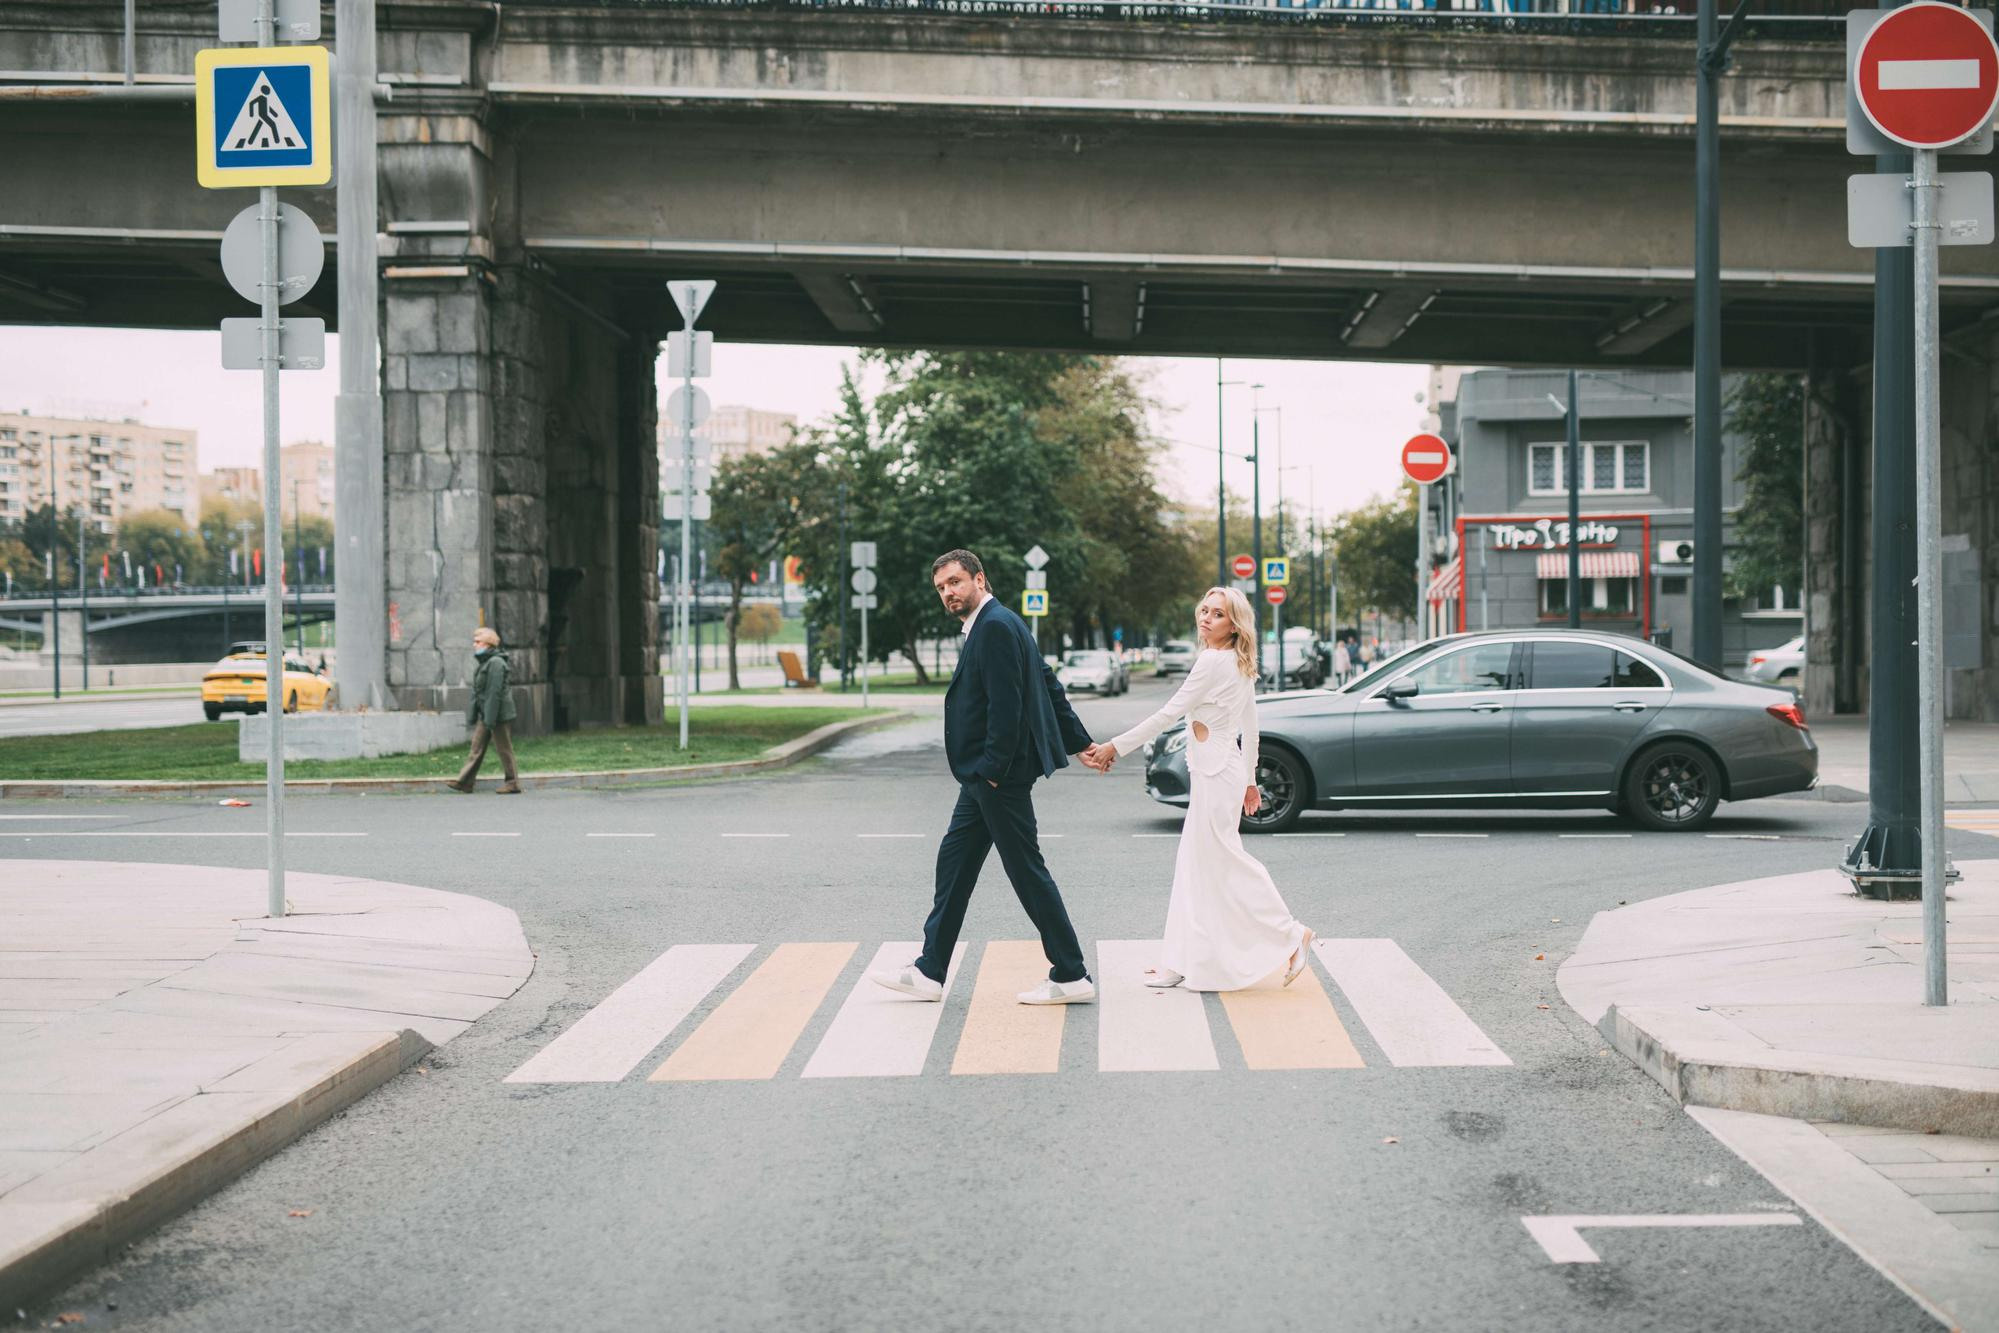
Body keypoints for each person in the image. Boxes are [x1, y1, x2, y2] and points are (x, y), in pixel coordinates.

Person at [872, 549, 1100, 1006]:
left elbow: (1008, 706)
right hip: (983, 780)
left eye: (955, 582)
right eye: (941, 588)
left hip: (996, 777)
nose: (948, 593)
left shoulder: (995, 626)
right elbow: (1047, 681)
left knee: (1027, 873)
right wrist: (1081, 743)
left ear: (980, 579)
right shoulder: (1002, 622)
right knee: (954, 865)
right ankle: (930, 969)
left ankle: (1072, 973)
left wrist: (992, 771)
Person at [1085, 587, 1314, 992]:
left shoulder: (1212, 662)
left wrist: (1114, 747)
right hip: (1220, 773)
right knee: (1194, 866)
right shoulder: (1238, 661)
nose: (1206, 618)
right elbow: (1251, 726)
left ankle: (1291, 933)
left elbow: (1169, 713)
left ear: (1234, 625)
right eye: (1204, 610)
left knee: (1225, 863)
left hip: (1214, 775)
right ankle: (1180, 960)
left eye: (1218, 614)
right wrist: (1247, 782)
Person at [448, 627, 521, 795]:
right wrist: (478, 714)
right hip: (486, 713)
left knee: (504, 748)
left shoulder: (496, 663)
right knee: (476, 747)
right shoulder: (485, 663)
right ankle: (465, 781)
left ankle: (513, 783)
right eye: (474, 641)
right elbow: (479, 692)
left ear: (488, 644)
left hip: (498, 715)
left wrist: (490, 719)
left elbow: (494, 694)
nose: (474, 644)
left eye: (478, 641)